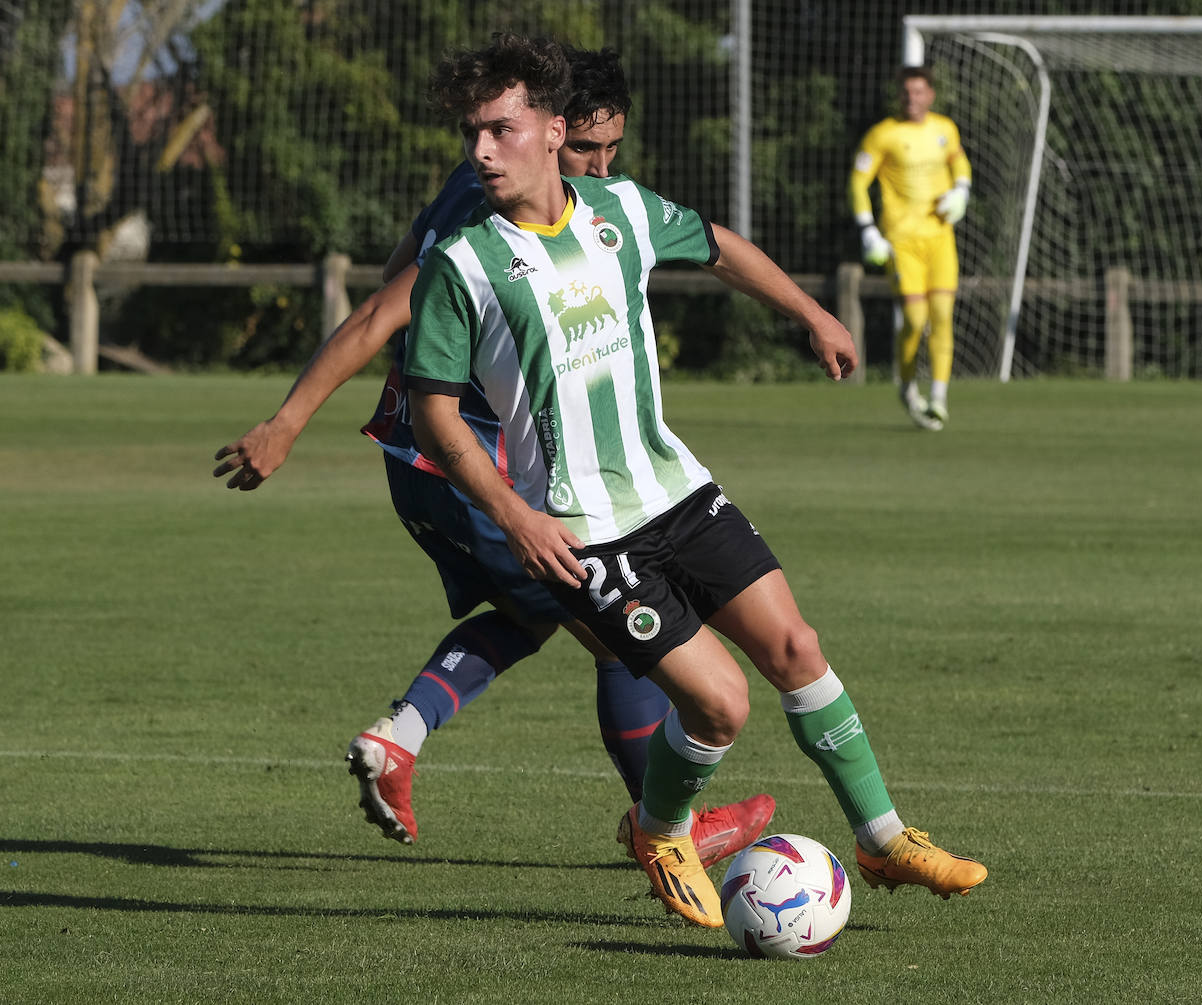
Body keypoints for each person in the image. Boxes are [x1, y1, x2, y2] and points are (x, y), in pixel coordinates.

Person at [403, 33, 988, 929]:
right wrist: (515, 516)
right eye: (472, 133)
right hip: (585, 530)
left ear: (553, 130)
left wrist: (812, 313)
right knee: (720, 706)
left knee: (796, 648)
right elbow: (435, 416)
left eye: (500, 130)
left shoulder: (624, 210)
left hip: (676, 487)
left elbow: (717, 246)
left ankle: (882, 838)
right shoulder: (462, 263)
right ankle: (662, 828)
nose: (480, 151)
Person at [211, 45, 773, 865]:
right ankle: (669, 833)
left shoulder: (474, 184)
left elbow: (394, 272)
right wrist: (286, 422)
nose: (602, 168)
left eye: (613, 150)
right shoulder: (487, 225)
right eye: (588, 149)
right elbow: (381, 311)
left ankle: (400, 738)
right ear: (550, 131)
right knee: (617, 629)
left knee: (539, 611)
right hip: (463, 458)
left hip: (419, 454)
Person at [850, 65, 972, 431]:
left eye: (919, 92)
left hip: (940, 238)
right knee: (916, 321)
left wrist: (962, 190)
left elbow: (959, 161)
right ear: (898, 96)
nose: (912, 99)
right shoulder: (882, 134)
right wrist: (868, 230)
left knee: (942, 315)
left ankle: (938, 397)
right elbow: (858, 182)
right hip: (902, 242)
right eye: (906, 92)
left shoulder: (945, 129)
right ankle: (906, 386)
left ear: (930, 95)